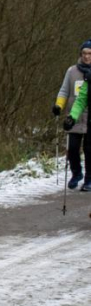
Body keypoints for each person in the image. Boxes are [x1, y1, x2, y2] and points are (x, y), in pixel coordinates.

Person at [60, 39, 91, 192]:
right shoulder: (76, 73)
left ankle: (89, 180)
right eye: (84, 53)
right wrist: (71, 117)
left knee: (89, 149)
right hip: (81, 119)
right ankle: (77, 174)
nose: (86, 56)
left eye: (89, 54)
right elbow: (80, 100)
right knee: (73, 148)